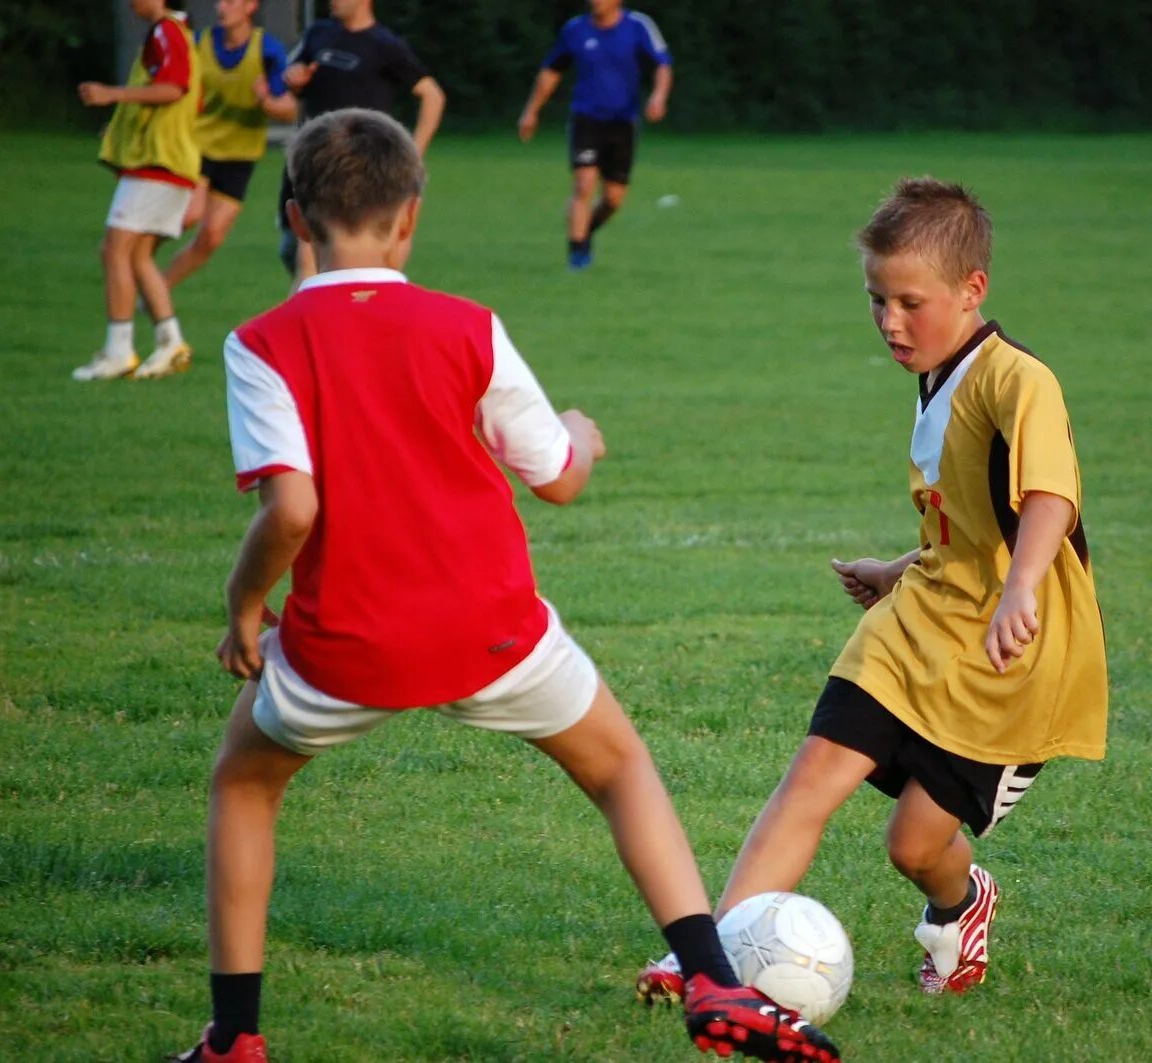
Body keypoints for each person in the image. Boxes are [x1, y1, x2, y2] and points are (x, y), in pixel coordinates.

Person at [171, 109, 838, 1063]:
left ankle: (234, 1038)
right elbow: (559, 478)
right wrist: (582, 429)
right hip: (493, 629)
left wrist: (243, 609)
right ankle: (710, 977)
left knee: (245, 783)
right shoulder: (467, 327)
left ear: (293, 215)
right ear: (410, 219)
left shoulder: (261, 343)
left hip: (344, 643)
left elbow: (290, 509)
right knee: (618, 770)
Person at [638, 178, 1108, 1002]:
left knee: (915, 846)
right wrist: (899, 570)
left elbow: (1048, 498)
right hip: (918, 620)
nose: (890, 321)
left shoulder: (1016, 379)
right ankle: (706, 963)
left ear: (972, 291)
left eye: (909, 302)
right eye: (876, 300)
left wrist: (1020, 588)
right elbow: (965, 518)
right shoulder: (936, 370)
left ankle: (961, 903)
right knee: (811, 777)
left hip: (1012, 657)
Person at [73, 0, 200, 382]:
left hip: (159, 163)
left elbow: (173, 88)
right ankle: (169, 341)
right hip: (170, 163)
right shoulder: (178, 33)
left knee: (115, 249)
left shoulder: (167, 31)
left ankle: (118, 351)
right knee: (138, 255)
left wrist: (113, 95)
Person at [276, 0, 444, 280]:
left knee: (310, 263)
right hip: (311, 164)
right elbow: (292, 86)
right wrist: (294, 82)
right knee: (290, 249)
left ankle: (315, 317)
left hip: (357, 170)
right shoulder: (318, 35)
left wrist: (412, 154)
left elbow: (432, 95)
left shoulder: (384, 45)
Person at [517, 0, 672, 270]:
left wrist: (658, 96)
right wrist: (532, 111)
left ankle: (584, 230)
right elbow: (552, 71)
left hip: (623, 122)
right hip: (586, 119)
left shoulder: (638, 26)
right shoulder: (575, 30)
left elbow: (662, 65)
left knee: (613, 198)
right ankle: (577, 256)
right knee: (584, 184)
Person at [162, 0, 297, 290]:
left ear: (250, 7)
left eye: (231, 1)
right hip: (198, 146)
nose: (222, 7)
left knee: (211, 237)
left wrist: (264, 100)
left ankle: (157, 288)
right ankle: (132, 256)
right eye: (220, 1)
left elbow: (288, 109)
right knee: (190, 215)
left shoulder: (267, 51)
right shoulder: (200, 44)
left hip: (239, 156)